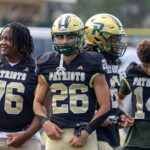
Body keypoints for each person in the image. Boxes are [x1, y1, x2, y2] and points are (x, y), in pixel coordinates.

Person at [33, 13, 110, 150]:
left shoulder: (93, 61)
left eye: (70, 36)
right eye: (60, 36)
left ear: (80, 36)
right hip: (55, 135)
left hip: (84, 134)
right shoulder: (46, 62)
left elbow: (105, 105)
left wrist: (87, 131)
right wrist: (45, 123)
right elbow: (38, 102)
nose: (64, 41)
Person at [84, 13, 134, 150]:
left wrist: (119, 115)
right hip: (93, 131)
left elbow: (110, 97)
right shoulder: (87, 61)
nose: (118, 44)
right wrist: (95, 118)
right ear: (98, 38)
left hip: (110, 131)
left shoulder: (111, 59)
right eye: (114, 39)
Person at [0, 22, 41, 150]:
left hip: (25, 139)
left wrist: (26, 135)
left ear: (21, 42)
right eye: (1, 38)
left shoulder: (36, 70)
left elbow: (45, 108)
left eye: (8, 39)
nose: (2, 42)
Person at [123, 40, 150, 150]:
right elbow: (119, 97)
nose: (149, 70)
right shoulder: (133, 72)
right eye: (145, 66)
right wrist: (123, 114)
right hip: (137, 135)